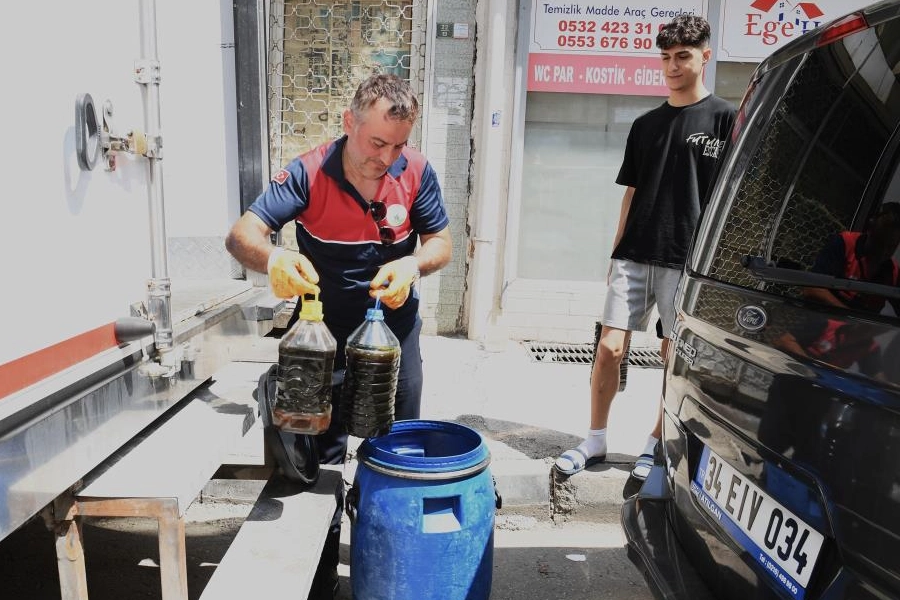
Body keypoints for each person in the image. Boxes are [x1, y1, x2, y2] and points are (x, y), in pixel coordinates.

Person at [225, 73, 452, 600]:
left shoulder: (417, 171)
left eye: (398, 145)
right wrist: (274, 258)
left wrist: (413, 265)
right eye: (377, 143)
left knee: (395, 453)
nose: (386, 157)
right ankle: (320, 577)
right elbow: (241, 236)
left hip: (392, 341)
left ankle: (387, 574)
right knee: (319, 465)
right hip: (319, 342)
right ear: (349, 122)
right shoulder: (308, 173)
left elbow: (440, 241)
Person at [554, 15, 736, 481]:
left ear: (704, 57)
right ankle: (595, 439)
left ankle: (654, 443)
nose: (672, 66)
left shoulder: (726, 119)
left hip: (687, 260)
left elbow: (728, 198)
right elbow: (631, 193)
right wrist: (615, 252)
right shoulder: (645, 124)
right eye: (666, 57)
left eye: (683, 56)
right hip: (635, 252)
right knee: (609, 348)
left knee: (673, 356)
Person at [774, 201, 900, 375]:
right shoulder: (844, 244)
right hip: (817, 325)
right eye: (879, 243)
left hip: (851, 336)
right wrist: (848, 317)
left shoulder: (892, 272)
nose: (883, 252)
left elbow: (878, 377)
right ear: (870, 229)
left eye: (890, 247)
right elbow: (812, 288)